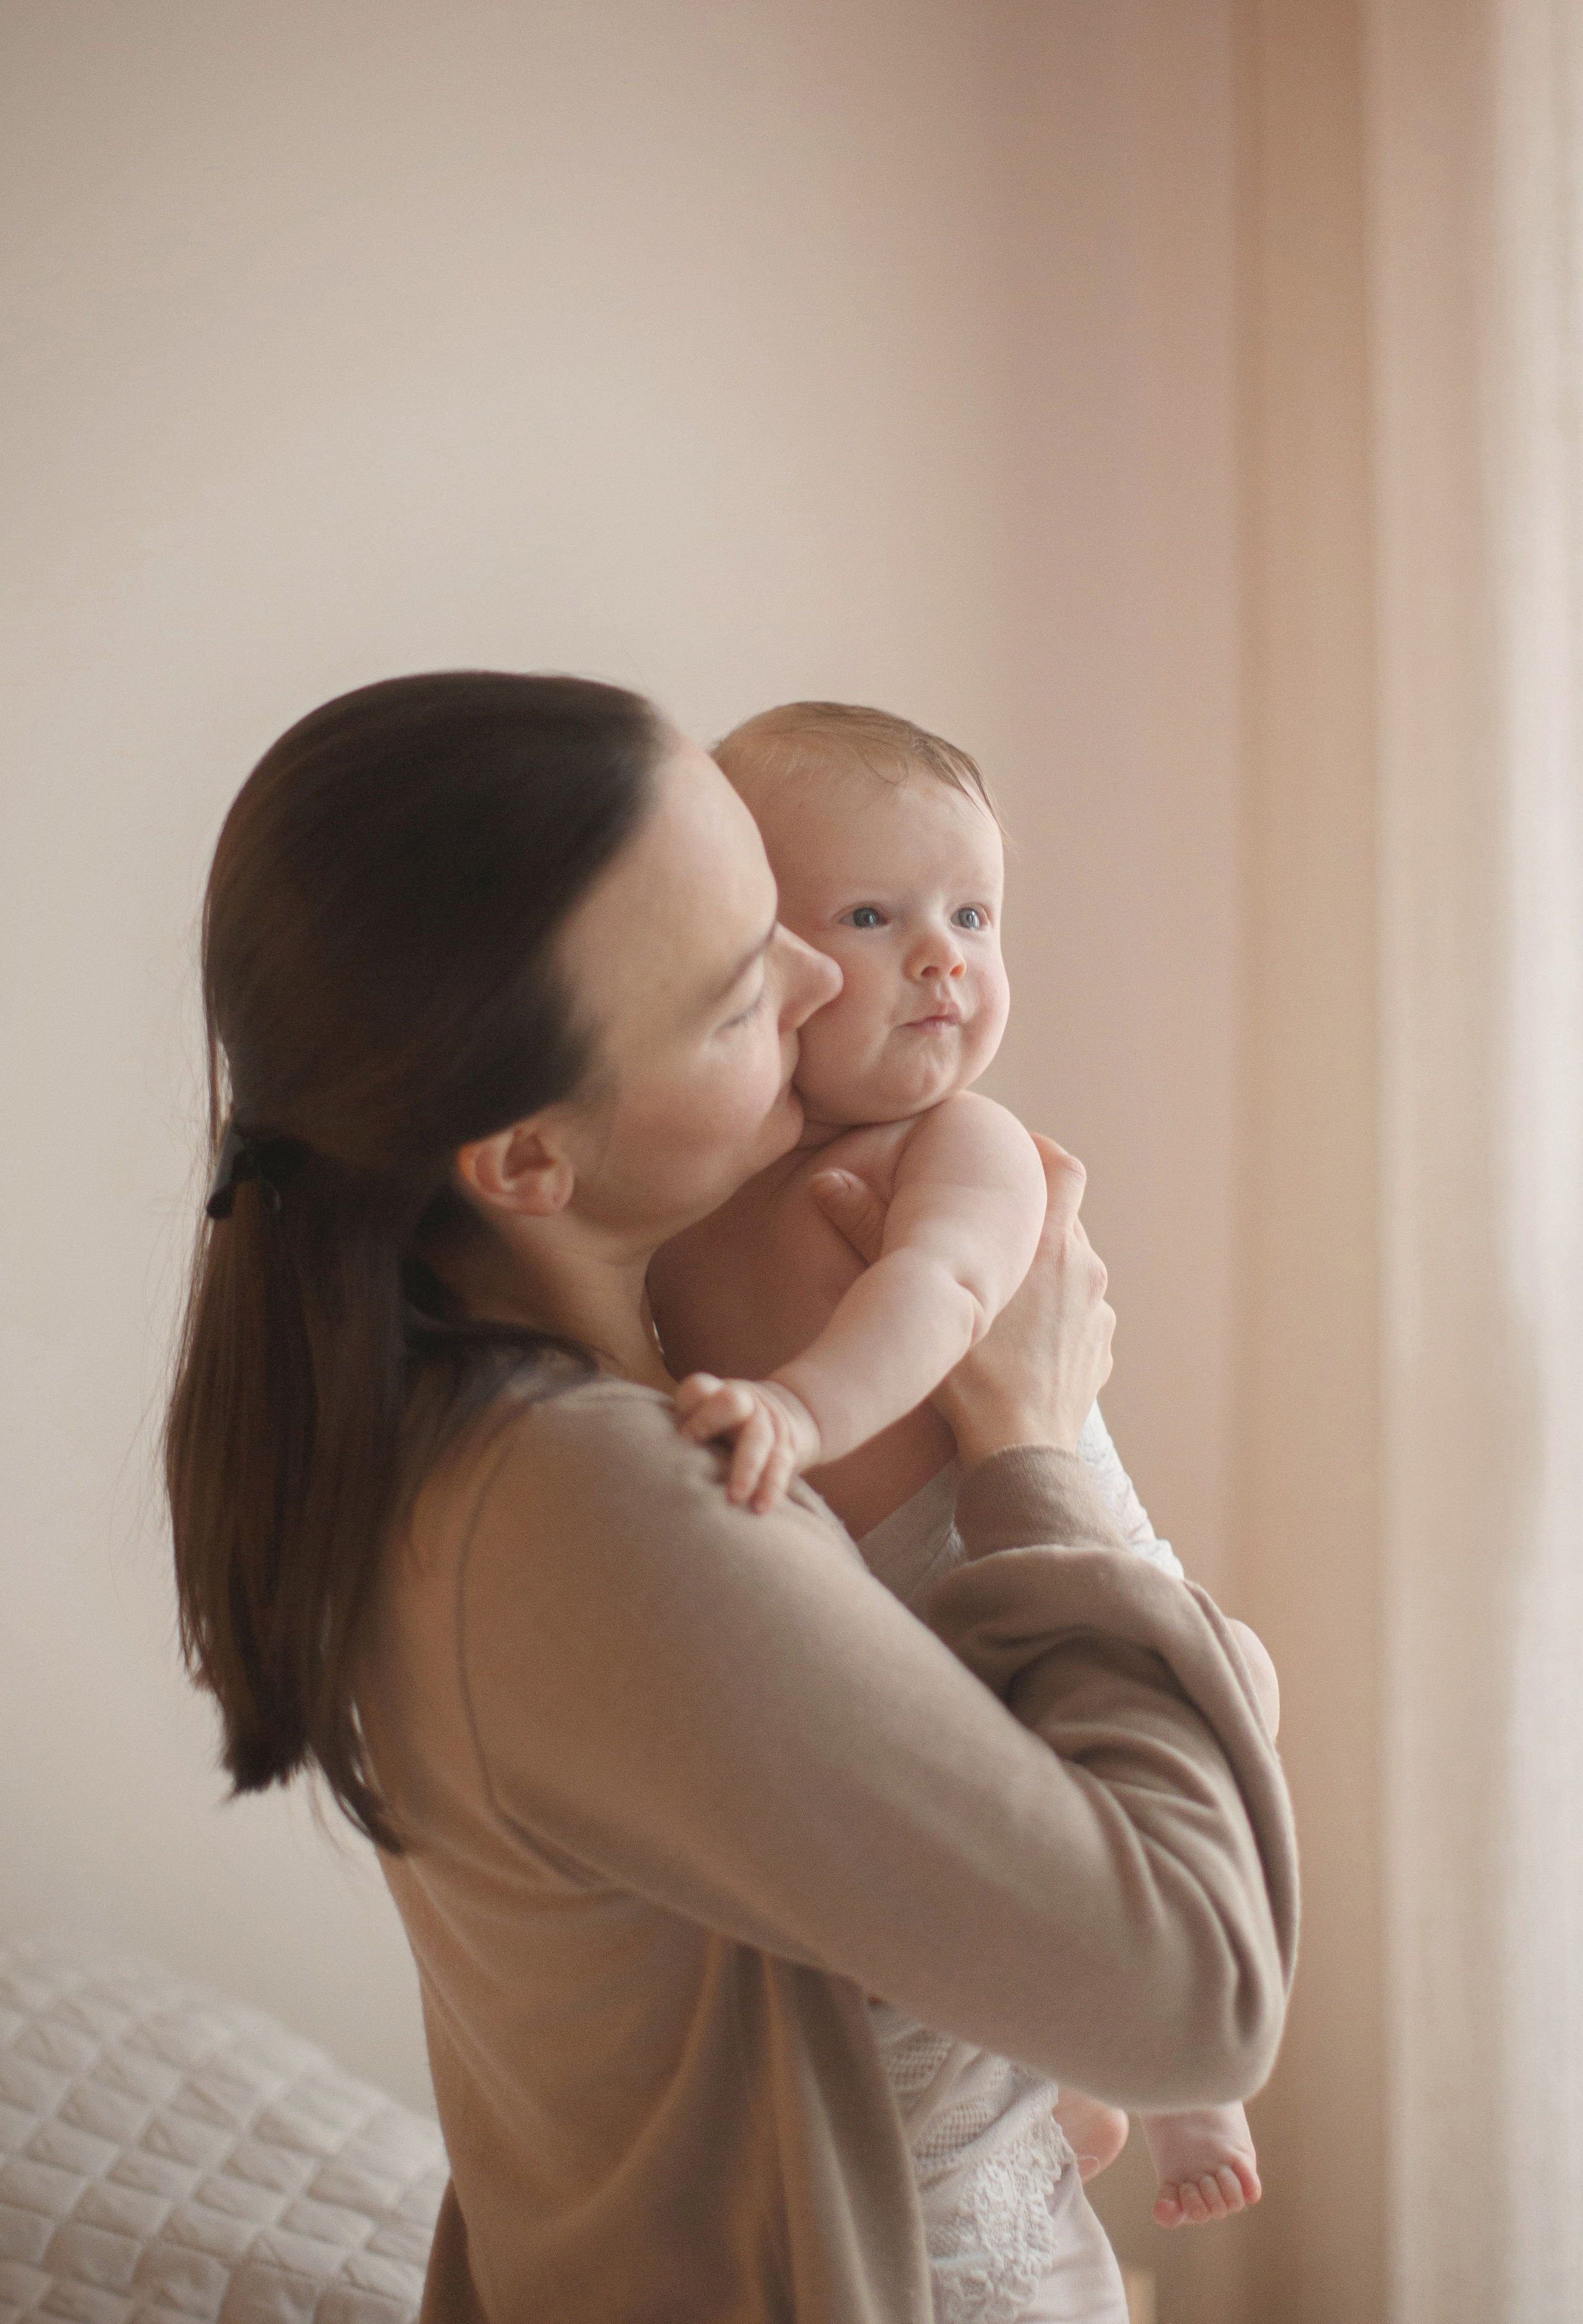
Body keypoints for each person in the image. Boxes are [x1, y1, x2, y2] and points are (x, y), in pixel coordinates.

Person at [166, 672, 1297, 2324]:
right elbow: (1199, 1996)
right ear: (528, 1158)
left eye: (778, 912)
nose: (822, 978)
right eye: (733, 985)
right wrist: (1031, 1431)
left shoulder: (450, 1423)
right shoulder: (593, 1500)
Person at [647, 702, 1268, 2286]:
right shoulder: (709, 1165)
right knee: (986, 1859)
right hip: (878, 1591)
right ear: (750, 955)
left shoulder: (959, 1139)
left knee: (1130, 1782)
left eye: (973, 916)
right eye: (872, 916)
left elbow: (937, 1295)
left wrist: (800, 1405)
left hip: (1004, 1538)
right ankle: (1065, 2086)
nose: (941, 958)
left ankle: (1188, 2100)